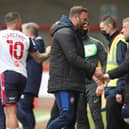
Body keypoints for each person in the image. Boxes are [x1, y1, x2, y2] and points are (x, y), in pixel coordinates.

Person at [47, 5, 103, 129]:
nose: (86, 22)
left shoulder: (73, 34)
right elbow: (72, 57)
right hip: (63, 84)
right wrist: (93, 69)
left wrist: (93, 76)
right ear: (76, 18)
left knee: (71, 119)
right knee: (66, 116)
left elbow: (79, 59)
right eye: (84, 19)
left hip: (73, 83)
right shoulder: (64, 33)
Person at [0, 11, 50, 129]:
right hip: (22, 77)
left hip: (7, 75)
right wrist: (48, 52)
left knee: (10, 112)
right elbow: (38, 58)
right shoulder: (26, 38)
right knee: (10, 109)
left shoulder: (1, 35)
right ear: (17, 21)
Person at [99, 15, 128, 129]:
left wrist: (120, 91)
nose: (102, 31)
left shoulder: (119, 41)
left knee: (113, 125)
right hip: (111, 90)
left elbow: (124, 68)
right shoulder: (113, 42)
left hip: (116, 91)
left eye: (103, 28)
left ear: (110, 26)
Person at [76, 24, 106, 129]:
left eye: (85, 27)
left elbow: (105, 64)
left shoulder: (96, 44)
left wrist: (102, 84)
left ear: (88, 28)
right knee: (80, 117)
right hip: (77, 85)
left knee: (96, 115)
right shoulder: (72, 45)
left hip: (93, 85)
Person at [17, 22, 46, 129]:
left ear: (28, 33)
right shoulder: (34, 43)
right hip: (27, 82)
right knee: (27, 108)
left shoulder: (37, 43)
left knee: (21, 108)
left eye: (22, 32)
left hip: (29, 83)